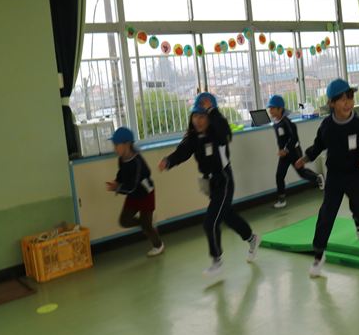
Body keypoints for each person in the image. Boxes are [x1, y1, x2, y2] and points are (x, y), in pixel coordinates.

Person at [159, 93, 261, 277]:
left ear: (210, 117)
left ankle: (217, 261)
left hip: (224, 180)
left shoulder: (218, 134)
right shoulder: (194, 137)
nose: (198, 121)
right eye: (195, 116)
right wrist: (169, 161)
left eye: (202, 116)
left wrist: (213, 111)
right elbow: (182, 152)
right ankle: (252, 238)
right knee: (227, 215)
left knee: (210, 222)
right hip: (210, 183)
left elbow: (225, 131)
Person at [295, 79, 359, 277]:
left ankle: (358, 220)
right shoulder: (327, 126)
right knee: (326, 214)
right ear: (332, 103)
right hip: (335, 176)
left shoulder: (357, 124)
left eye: (350, 98)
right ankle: (318, 254)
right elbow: (318, 146)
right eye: (342, 99)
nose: (348, 103)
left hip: (355, 174)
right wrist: (305, 158)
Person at [106, 127, 164, 257]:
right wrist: (116, 182)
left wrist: (117, 188)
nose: (114, 148)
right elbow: (122, 174)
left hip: (146, 194)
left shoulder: (137, 162)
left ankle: (158, 245)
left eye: (116, 145)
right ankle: (147, 224)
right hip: (133, 195)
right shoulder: (121, 159)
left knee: (147, 226)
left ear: (127, 144)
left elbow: (132, 186)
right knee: (124, 221)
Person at [266, 94, 324, 209]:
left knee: (302, 173)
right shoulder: (275, 123)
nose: (270, 110)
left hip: (293, 152)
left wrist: (286, 149)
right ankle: (281, 200)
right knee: (279, 175)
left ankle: (317, 178)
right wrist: (282, 150)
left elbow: (294, 138)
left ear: (280, 109)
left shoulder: (287, 122)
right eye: (269, 108)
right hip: (284, 154)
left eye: (272, 108)